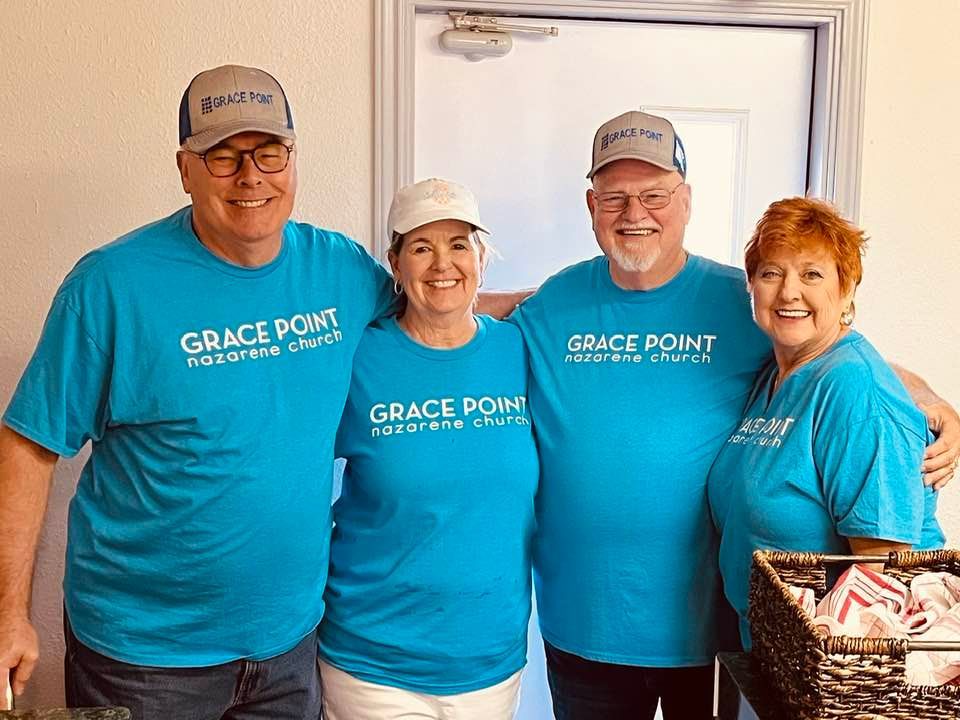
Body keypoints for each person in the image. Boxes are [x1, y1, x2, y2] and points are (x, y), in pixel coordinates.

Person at [509, 110, 960, 719]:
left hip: (722, 637)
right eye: (614, 196)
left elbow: (850, 363)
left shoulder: (738, 303)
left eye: (654, 194)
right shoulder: (558, 302)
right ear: (592, 205)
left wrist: (930, 402)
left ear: (686, 200)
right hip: (589, 626)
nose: (634, 212)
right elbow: (470, 323)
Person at [0, 64, 397, 719]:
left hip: (290, 642)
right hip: (144, 662)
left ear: (293, 160)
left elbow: (436, 316)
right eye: (223, 156)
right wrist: (8, 614)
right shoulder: (112, 286)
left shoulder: (340, 269)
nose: (251, 177)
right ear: (185, 169)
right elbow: (29, 445)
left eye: (269, 153)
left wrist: (547, 314)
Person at [317, 178, 539, 720]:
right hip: (373, 662)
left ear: (481, 258)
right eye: (421, 247)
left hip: (489, 660)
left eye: (459, 244)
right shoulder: (357, 356)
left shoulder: (519, 350)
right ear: (395, 264)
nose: (443, 264)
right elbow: (293, 464)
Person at [707, 197, 944, 647]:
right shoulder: (777, 373)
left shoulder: (855, 389)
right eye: (771, 273)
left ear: (847, 289)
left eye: (811, 274)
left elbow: (881, 577)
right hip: (766, 649)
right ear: (751, 286)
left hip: (826, 666)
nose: (789, 292)